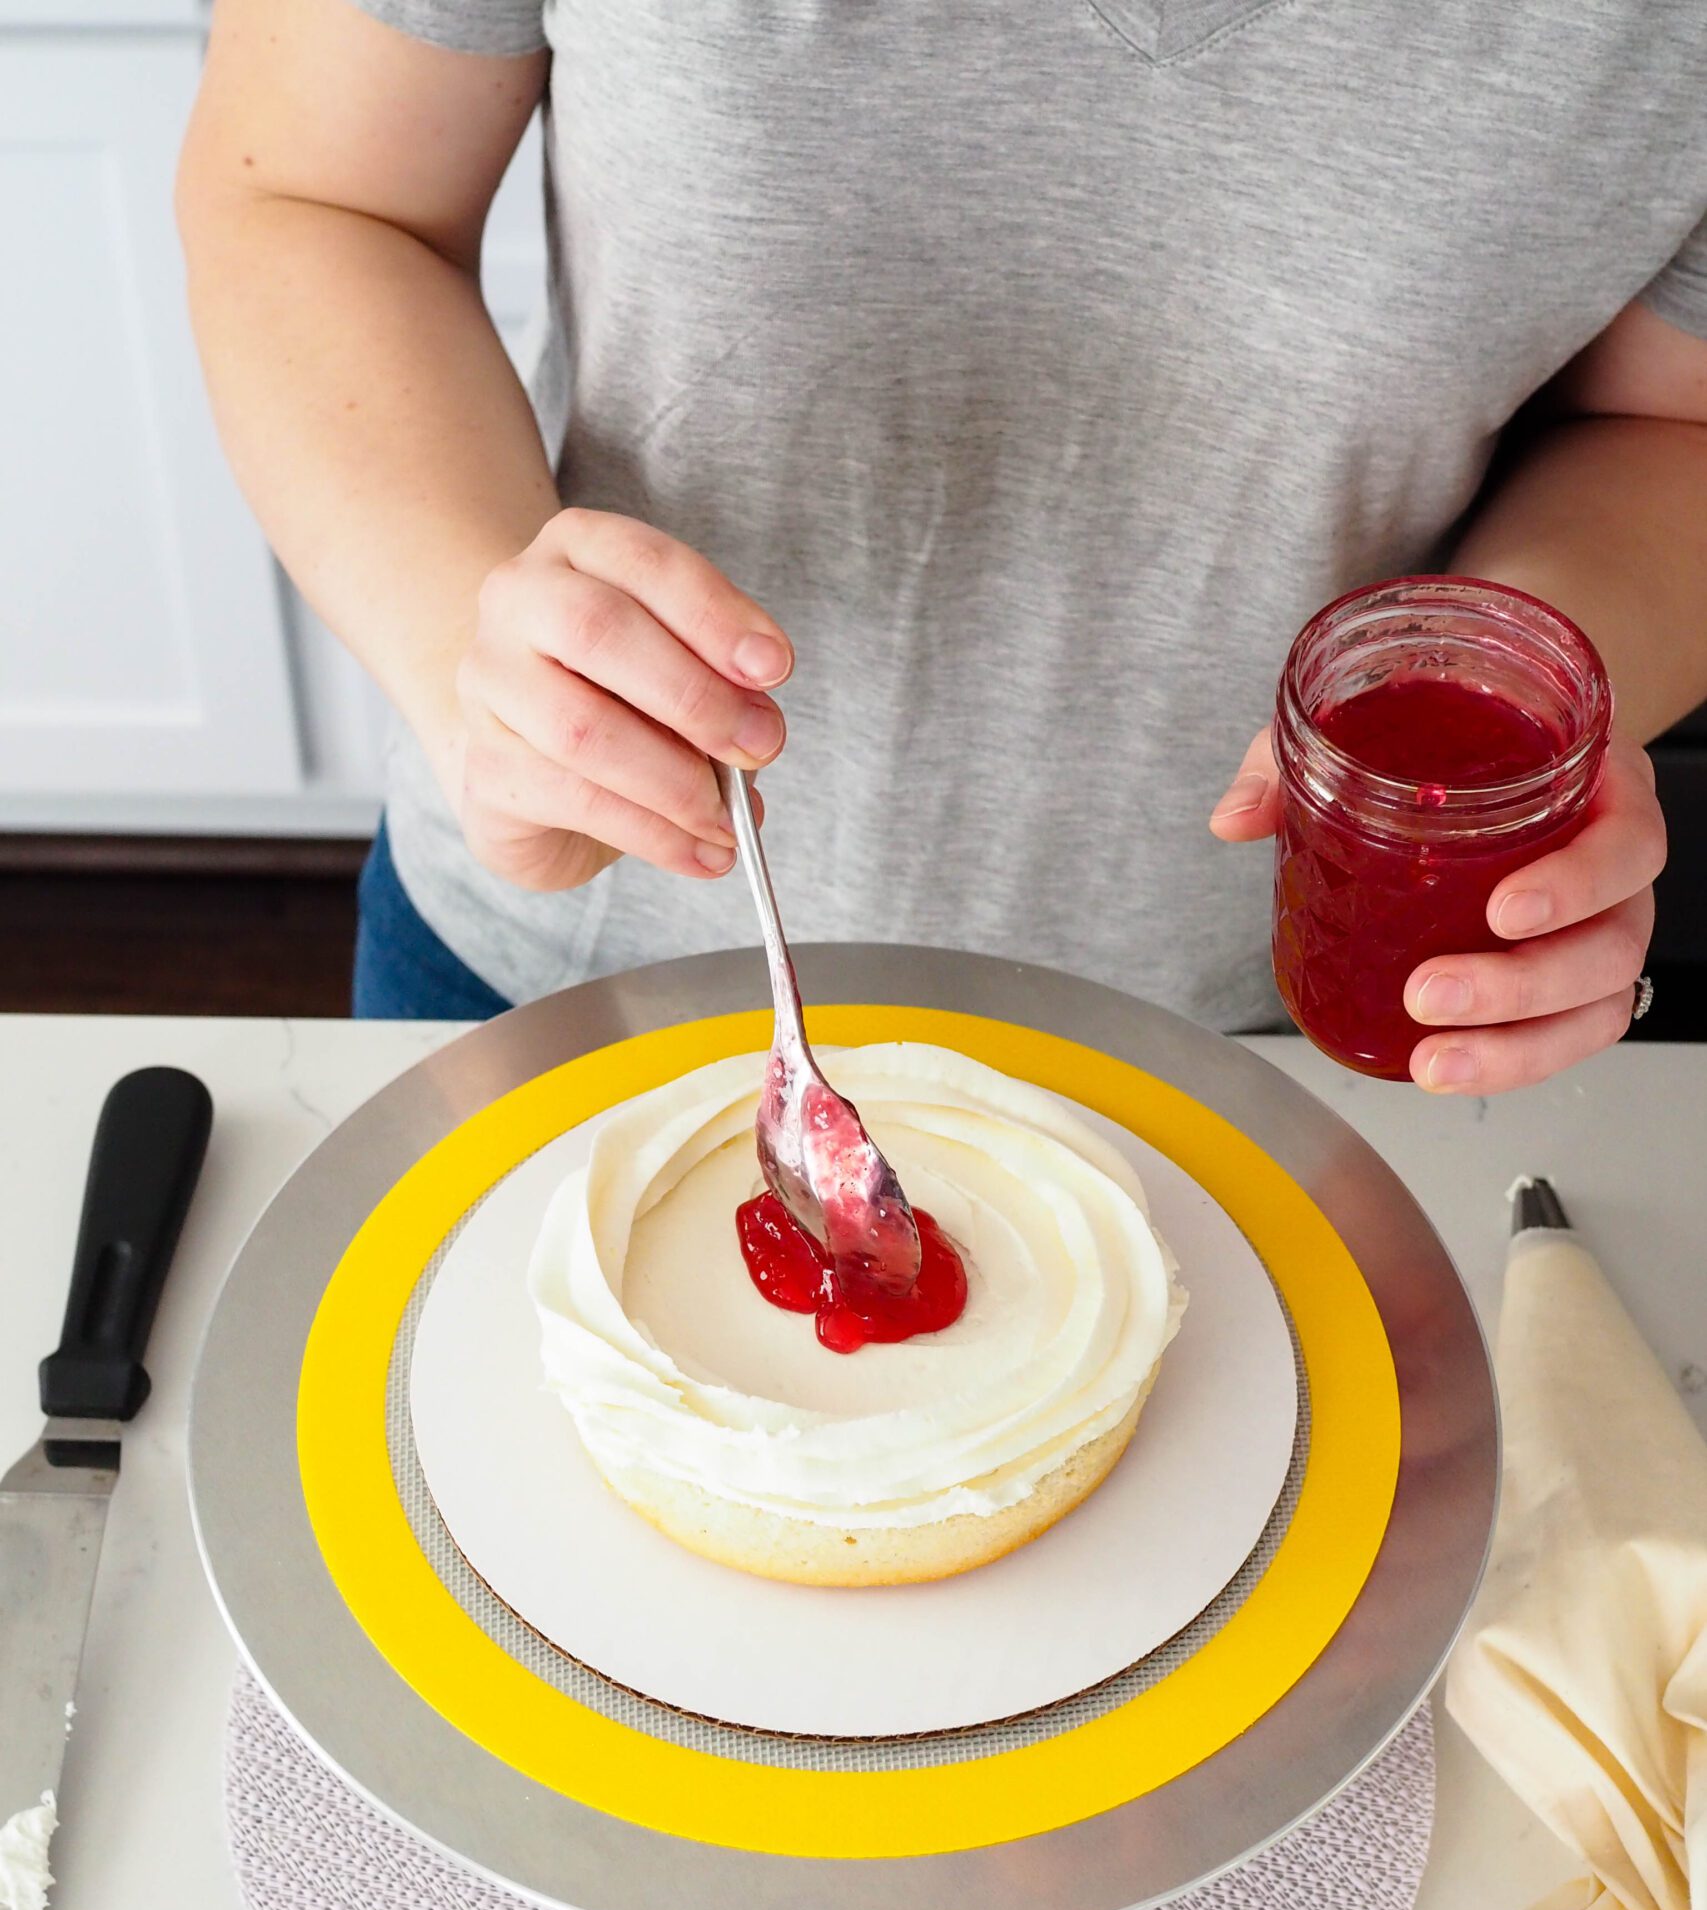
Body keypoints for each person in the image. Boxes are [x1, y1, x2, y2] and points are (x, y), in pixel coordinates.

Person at [176, 1, 1707, 1092]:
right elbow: (308, 197)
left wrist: (1504, 746)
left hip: (1261, 1033)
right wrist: (470, 646)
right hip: (581, 971)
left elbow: (1665, 429)